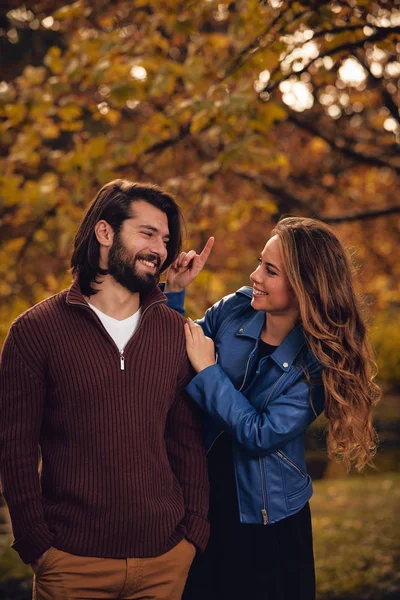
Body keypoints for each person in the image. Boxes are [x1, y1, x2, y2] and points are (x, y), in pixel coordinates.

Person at [0, 179, 210, 600]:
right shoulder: (34, 331)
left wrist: (193, 535)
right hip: (72, 566)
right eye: (147, 233)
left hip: (164, 562)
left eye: (165, 239)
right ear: (105, 232)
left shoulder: (175, 333)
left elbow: (186, 442)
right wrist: (37, 545)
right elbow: (15, 449)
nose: (159, 249)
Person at [164, 217, 380, 600]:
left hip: (268, 523)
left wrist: (210, 371)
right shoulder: (234, 309)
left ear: (304, 286)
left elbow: (260, 434)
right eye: (260, 263)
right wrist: (174, 293)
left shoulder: (317, 362)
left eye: (270, 270)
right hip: (200, 503)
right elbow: (172, 356)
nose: (255, 275)